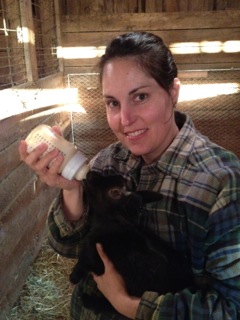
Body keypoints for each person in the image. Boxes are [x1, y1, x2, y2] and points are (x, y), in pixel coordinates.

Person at [19, 31, 240, 320]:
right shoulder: (108, 162)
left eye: (140, 96)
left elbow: (230, 308)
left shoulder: (221, 182)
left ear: (173, 92)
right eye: (113, 103)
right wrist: (71, 189)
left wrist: (127, 304)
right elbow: (68, 247)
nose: (125, 120)